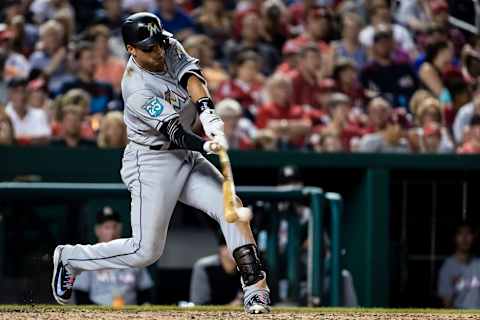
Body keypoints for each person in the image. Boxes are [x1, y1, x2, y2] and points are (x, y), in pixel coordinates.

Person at [51, 12, 271, 314]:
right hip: (152, 160)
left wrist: (207, 112)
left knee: (231, 208)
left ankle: (255, 289)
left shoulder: (166, 43)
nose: (157, 52)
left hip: (186, 156)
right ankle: (70, 258)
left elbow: (191, 77)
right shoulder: (135, 88)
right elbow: (176, 133)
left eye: (157, 44)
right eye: (148, 48)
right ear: (131, 49)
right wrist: (208, 143)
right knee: (146, 252)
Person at [73, 206, 154, 305]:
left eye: (114, 227)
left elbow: (145, 292)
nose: (111, 232)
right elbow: (80, 296)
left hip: (130, 313)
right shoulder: (87, 258)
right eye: (107, 227)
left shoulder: (133, 256)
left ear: (120, 229)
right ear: (97, 230)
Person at [189, 234, 242, 305]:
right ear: (223, 249)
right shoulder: (204, 267)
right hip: (209, 314)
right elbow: (198, 303)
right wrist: (231, 306)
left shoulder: (246, 267)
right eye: (235, 247)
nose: (241, 252)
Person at [438, 221, 480, 308]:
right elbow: (447, 305)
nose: (465, 238)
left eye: (468, 233)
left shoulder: (478, 264)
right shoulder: (448, 267)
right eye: (460, 234)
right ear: (454, 238)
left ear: (474, 237)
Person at [4, 77, 51, 145]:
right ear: (9, 94)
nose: (21, 95)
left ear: (29, 93)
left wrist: (19, 140)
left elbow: (46, 139)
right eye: (16, 91)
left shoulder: (40, 114)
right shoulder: (3, 115)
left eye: (23, 91)